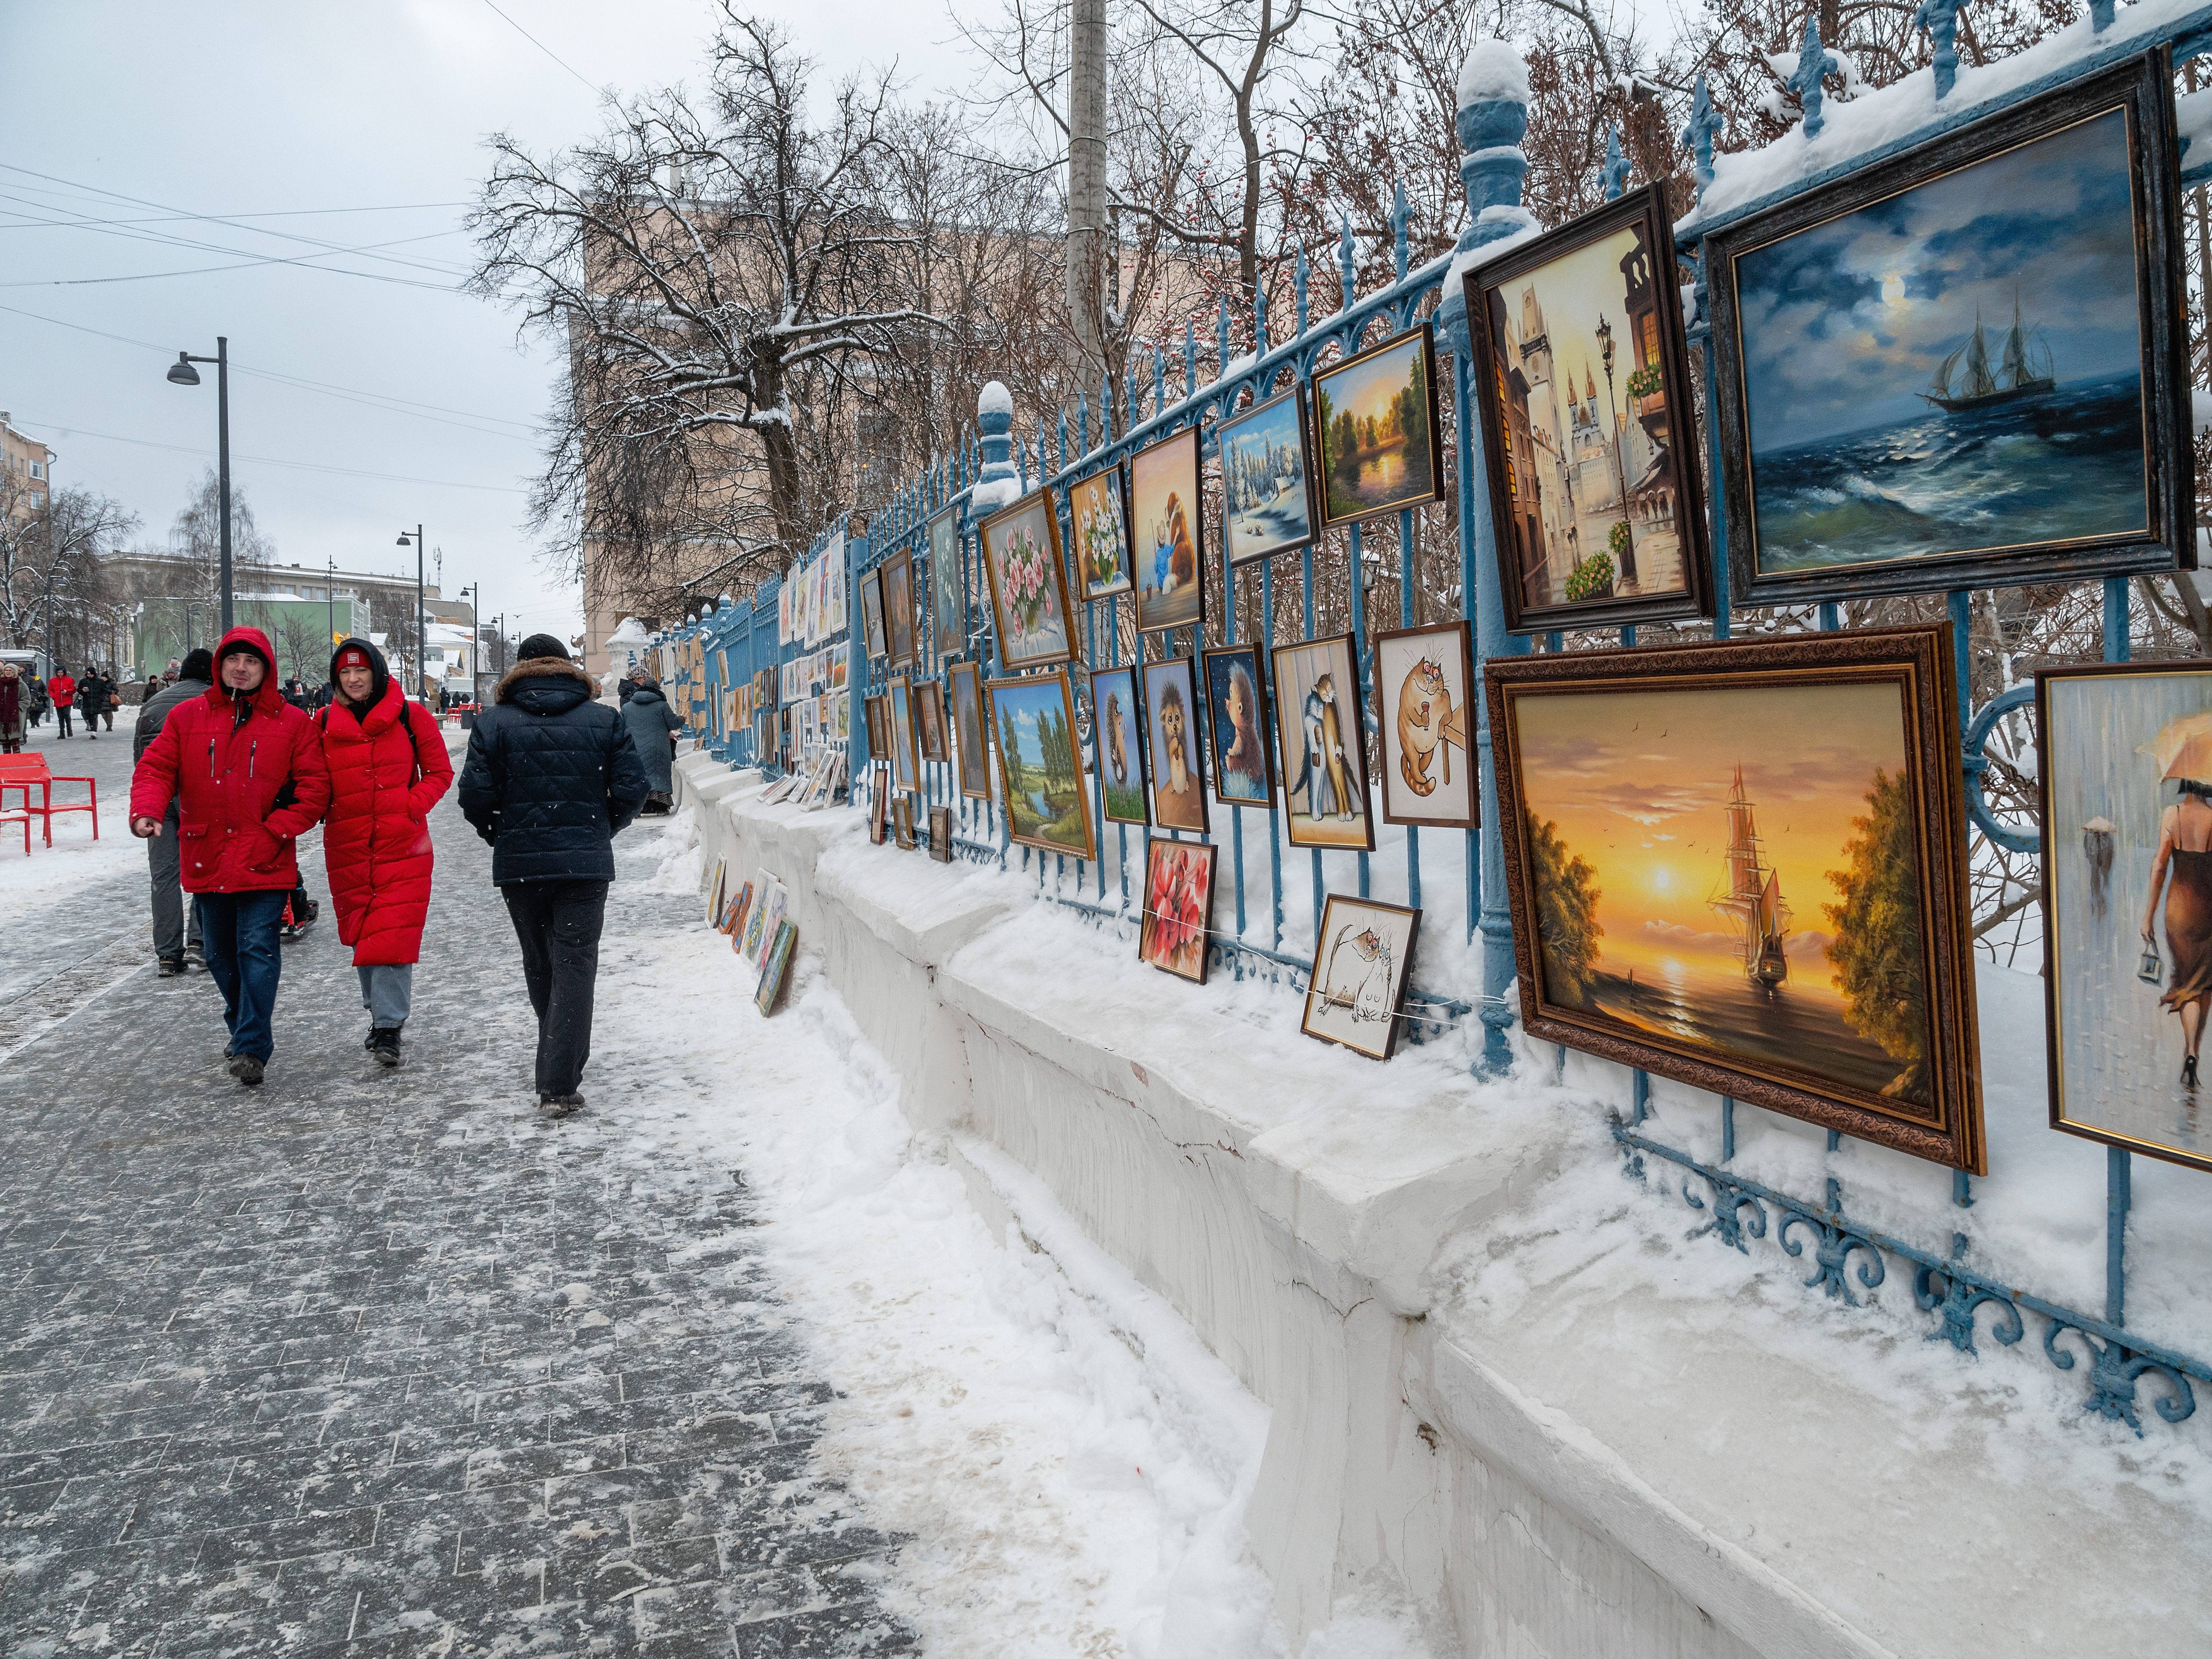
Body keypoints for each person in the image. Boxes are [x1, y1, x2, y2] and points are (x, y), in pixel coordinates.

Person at [129, 627, 330, 1086]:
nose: (241, 668)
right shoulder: (187, 718)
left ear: (266, 670)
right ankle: (245, 1026)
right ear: (220, 666)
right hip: (208, 854)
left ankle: (251, 1046)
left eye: (252, 661)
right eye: (233, 660)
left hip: (265, 856)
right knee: (219, 955)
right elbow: (156, 768)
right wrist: (148, 810)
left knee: (256, 948)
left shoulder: (292, 723)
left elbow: (315, 788)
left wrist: (277, 829)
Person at [457, 633, 648, 1115]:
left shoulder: (494, 723)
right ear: (568, 666)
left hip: (521, 864)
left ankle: (556, 1055)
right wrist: (602, 826)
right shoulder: (604, 719)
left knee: (540, 961)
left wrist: (498, 834)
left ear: (519, 671)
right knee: (576, 964)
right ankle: (559, 1080)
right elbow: (633, 788)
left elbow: (475, 797)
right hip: (584, 863)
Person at [314, 638, 452, 1066]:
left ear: (376, 672)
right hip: (348, 844)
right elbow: (310, 781)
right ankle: (381, 1017)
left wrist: (409, 805)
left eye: (361, 671)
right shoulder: (321, 722)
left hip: (403, 844)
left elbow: (440, 772)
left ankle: (389, 1027)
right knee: (363, 933)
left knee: (391, 935)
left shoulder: (410, 716)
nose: (354, 679)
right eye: (345, 673)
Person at [134, 648, 216, 975]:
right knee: (205, 868)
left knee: (164, 877)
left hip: (159, 799)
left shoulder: (153, 704)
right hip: (196, 797)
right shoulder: (212, 702)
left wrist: (147, 803)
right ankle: (200, 941)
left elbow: (141, 760)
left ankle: (168, 954)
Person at [620, 670, 681, 815]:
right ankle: (660, 806)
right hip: (658, 747)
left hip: (635, 748)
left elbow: (621, 728)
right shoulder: (661, 705)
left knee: (640, 777)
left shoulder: (627, 707)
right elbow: (673, 723)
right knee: (659, 775)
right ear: (658, 690)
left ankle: (641, 807)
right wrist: (683, 719)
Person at [78, 665, 115, 736]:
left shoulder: (99, 681)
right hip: (87, 701)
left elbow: (104, 690)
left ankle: (94, 731)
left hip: (97, 701)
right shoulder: (84, 681)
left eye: (91, 674)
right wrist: (82, 691)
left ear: (94, 674)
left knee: (94, 716)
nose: (89, 675)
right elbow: (79, 689)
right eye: (88, 674)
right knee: (88, 715)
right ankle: (91, 727)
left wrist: (101, 698)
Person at [0, 663, 23, 754]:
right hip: (2, 716)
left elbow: (26, 700)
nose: (8, 672)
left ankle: (17, 758)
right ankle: (7, 759)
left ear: (14, 672)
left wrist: (18, 708)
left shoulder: (21, 685)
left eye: (10, 671)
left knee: (14, 738)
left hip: (15, 717)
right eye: (6, 670)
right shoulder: (1, 683)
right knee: (4, 738)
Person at [48, 664, 75, 737]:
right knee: (60, 718)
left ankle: (69, 730)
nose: (60, 674)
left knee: (67, 715)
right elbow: (50, 689)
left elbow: (73, 689)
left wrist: (67, 691)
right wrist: (53, 696)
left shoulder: (69, 680)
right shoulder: (53, 680)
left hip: (67, 700)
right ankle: (62, 732)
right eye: (59, 672)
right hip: (58, 701)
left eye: (61, 672)